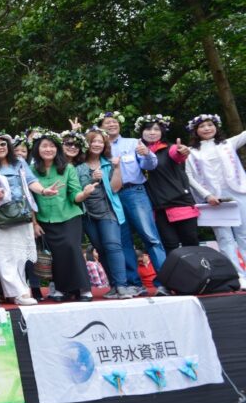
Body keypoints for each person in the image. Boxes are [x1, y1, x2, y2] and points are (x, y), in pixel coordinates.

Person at [0, 131, 60, 306]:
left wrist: (44, 191)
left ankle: (21, 291)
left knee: (19, 254)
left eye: (2, 144)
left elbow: (32, 182)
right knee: (4, 255)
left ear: (8, 146)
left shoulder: (20, 163)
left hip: (22, 213)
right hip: (0, 217)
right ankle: (18, 293)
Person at [96, 110, 167, 296]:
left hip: (135, 192)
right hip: (112, 197)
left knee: (150, 236)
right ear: (100, 127)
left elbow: (149, 166)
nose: (111, 125)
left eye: (114, 122)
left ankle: (165, 281)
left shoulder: (133, 143)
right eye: (107, 123)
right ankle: (134, 283)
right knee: (123, 241)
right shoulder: (99, 148)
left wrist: (147, 154)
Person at [30, 130, 92, 302]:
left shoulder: (68, 168)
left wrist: (85, 194)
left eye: (52, 146)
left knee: (72, 248)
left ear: (57, 149)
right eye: (44, 146)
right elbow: (30, 199)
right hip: (44, 219)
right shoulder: (31, 170)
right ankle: (62, 289)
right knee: (56, 254)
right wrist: (34, 223)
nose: (48, 149)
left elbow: (75, 194)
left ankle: (84, 289)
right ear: (37, 149)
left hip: (69, 216)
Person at [185, 113, 246, 284]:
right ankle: (238, 275)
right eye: (202, 126)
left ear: (216, 127)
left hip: (238, 192)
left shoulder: (228, 143)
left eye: (210, 125)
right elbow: (188, 176)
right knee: (224, 237)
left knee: (244, 235)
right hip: (213, 199)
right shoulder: (191, 152)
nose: (207, 129)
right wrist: (206, 195)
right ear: (195, 131)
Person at [76, 127, 132, 299]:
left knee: (113, 245)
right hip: (87, 213)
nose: (97, 144)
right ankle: (114, 286)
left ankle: (121, 285)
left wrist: (117, 168)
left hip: (108, 210)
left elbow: (115, 188)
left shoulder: (109, 163)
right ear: (87, 143)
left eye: (100, 141)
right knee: (100, 248)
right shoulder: (77, 166)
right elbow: (74, 190)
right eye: (93, 141)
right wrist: (92, 179)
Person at [136, 115, 199, 255]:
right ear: (141, 132)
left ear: (162, 132)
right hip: (157, 209)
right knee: (170, 248)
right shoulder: (135, 153)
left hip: (179, 203)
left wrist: (182, 152)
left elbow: (177, 154)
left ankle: (200, 276)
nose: (152, 132)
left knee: (191, 243)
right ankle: (178, 277)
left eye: (156, 129)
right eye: (148, 129)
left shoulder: (170, 148)